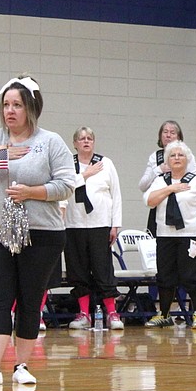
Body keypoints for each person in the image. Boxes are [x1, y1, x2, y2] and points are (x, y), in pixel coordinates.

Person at [0, 74, 74, 386]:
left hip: (42, 233)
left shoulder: (51, 141)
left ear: (31, 108)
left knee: (30, 298)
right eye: (6, 105)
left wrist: (31, 192)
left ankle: (22, 365)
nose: (10, 111)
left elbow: (66, 185)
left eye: (17, 105)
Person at [143, 140, 196, 329]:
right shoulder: (160, 181)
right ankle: (164, 313)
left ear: (187, 159)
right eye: (172, 155)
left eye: (180, 155)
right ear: (167, 160)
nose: (176, 158)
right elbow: (149, 200)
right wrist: (170, 188)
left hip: (191, 235)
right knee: (165, 276)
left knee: (193, 276)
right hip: (165, 236)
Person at [64, 126, 124, 331]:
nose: (86, 141)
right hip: (73, 225)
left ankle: (112, 312)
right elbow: (63, 188)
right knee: (78, 270)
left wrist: (115, 224)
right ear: (75, 143)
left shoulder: (105, 163)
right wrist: (84, 175)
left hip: (100, 224)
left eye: (90, 138)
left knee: (102, 268)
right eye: (81, 138)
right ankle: (83, 313)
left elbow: (116, 195)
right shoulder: (66, 164)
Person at [138, 120, 196, 303]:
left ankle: (182, 304)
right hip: (160, 210)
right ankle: (155, 302)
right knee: (161, 261)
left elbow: (194, 181)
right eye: (165, 131)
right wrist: (159, 170)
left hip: (183, 212)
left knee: (182, 262)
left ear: (179, 137)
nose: (168, 135)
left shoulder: (188, 156)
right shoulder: (155, 157)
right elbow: (142, 186)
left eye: (173, 132)